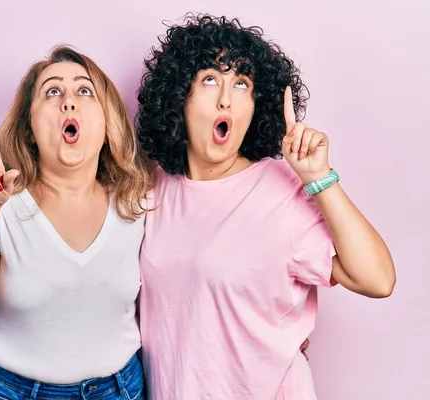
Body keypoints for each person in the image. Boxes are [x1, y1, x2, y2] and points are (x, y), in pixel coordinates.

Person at [135, 14, 396, 400]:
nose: (226, 97)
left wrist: (318, 177)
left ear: (256, 106)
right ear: (179, 97)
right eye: (210, 79)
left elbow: (378, 279)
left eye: (242, 84)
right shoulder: (154, 188)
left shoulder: (280, 192)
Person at [0, 45, 153, 400]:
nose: (68, 101)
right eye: (52, 91)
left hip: (120, 390)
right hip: (15, 392)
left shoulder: (137, 200)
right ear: (30, 128)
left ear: (107, 120)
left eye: (84, 90)